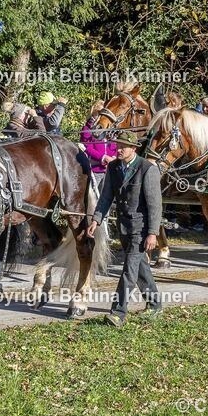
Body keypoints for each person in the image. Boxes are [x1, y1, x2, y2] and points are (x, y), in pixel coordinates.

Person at [87, 131, 162, 327]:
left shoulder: (147, 169)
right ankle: (155, 304)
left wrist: (153, 233)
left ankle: (118, 312)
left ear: (134, 148)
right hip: (123, 226)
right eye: (117, 145)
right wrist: (96, 220)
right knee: (140, 268)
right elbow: (106, 197)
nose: (118, 149)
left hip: (141, 228)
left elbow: (155, 205)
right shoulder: (113, 167)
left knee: (129, 270)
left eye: (123, 147)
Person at [79, 100, 117, 189]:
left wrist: (114, 158)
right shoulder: (87, 128)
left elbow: (114, 146)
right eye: (100, 113)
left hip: (109, 169)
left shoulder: (109, 129)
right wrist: (103, 158)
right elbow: (87, 148)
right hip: (95, 169)